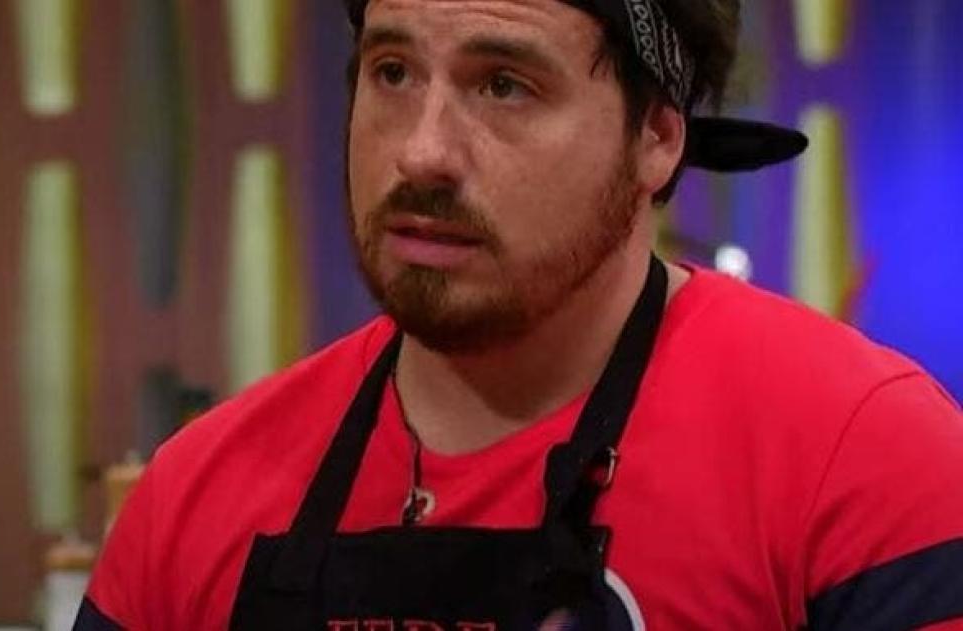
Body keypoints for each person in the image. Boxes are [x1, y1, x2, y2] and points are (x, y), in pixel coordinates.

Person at [76, 0, 963, 628]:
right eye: (392, 72)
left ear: (656, 136)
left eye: (504, 85)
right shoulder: (191, 499)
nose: (422, 151)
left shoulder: (863, 460)